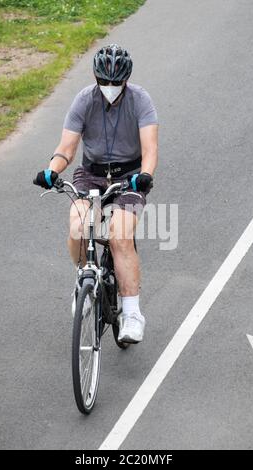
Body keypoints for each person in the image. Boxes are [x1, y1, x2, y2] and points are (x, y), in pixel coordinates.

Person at [34, 44, 158, 343]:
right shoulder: (84, 100)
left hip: (129, 177)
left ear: (126, 79)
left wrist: (145, 176)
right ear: (95, 76)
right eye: (105, 82)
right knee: (79, 226)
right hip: (91, 173)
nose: (110, 88)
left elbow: (150, 149)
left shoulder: (141, 100)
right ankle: (85, 281)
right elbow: (67, 148)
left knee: (119, 234)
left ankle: (131, 313)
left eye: (117, 83)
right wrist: (52, 170)